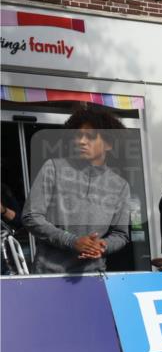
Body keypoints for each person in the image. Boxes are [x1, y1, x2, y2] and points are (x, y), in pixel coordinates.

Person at [21, 106, 130, 274]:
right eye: (78, 135)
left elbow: (120, 234)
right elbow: (31, 217)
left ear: (109, 143)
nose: (81, 141)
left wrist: (103, 246)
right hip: (49, 275)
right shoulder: (54, 168)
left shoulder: (120, 185)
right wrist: (72, 241)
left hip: (94, 275)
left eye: (90, 137)